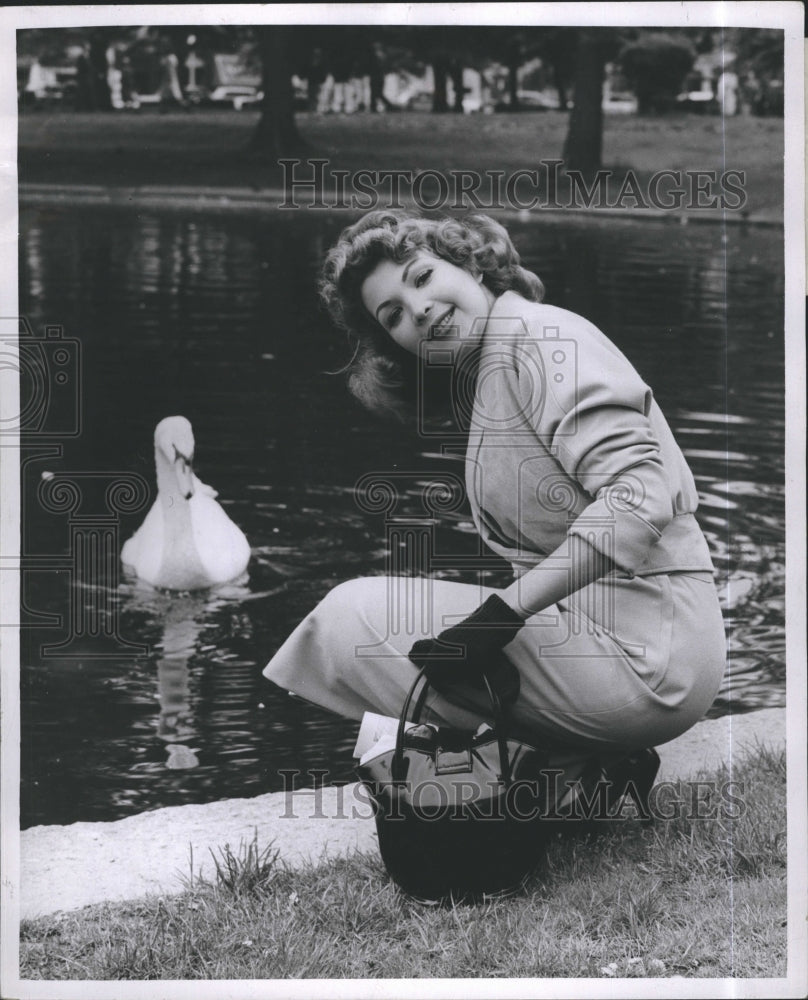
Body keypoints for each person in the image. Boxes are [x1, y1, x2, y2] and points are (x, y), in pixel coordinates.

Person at [263, 211, 726, 786]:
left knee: (344, 621)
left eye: (422, 277)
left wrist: (502, 616)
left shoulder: (540, 340)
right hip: (606, 637)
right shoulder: (496, 366)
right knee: (410, 640)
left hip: (651, 656)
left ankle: (560, 762)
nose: (419, 310)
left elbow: (639, 496)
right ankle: (578, 767)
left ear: (469, 263)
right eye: (394, 316)